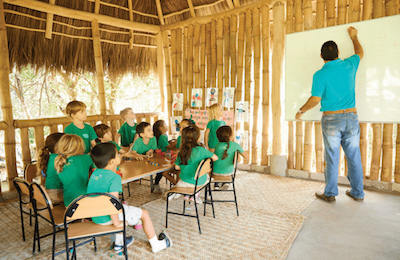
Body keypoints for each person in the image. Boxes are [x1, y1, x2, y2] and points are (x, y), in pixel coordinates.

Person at [295, 26, 365, 202]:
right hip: (351, 117)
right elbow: (359, 52)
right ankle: (358, 193)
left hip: (331, 119)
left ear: (321, 56)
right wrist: (354, 37)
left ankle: (330, 194)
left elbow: (315, 99)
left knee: (332, 157)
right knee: (354, 156)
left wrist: (301, 111)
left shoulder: (320, 74)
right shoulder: (350, 64)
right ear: (338, 52)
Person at [87, 143, 173, 254]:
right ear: (112, 161)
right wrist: (117, 224)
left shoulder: (94, 174)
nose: (120, 156)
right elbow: (113, 204)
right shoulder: (114, 178)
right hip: (107, 217)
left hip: (96, 216)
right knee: (145, 214)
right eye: (118, 154)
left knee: (123, 208)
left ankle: (119, 244)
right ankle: (156, 245)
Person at [173, 126, 218, 203]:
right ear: (198, 138)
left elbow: (177, 167)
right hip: (199, 182)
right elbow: (216, 158)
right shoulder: (201, 150)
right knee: (206, 176)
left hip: (185, 181)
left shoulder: (181, 152)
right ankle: (195, 195)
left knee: (184, 177)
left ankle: (187, 194)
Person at [54, 134, 94, 206]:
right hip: (84, 201)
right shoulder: (86, 158)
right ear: (80, 146)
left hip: (68, 204)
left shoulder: (59, 160)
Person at [212, 126, 248, 190]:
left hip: (215, 174)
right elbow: (246, 157)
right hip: (228, 174)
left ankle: (217, 184)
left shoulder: (217, 145)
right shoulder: (235, 145)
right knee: (227, 167)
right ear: (230, 136)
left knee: (216, 165)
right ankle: (226, 182)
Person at [37, 132, 65, 203]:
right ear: (57, 146)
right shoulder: (59, 159)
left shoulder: (49, 157)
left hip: (49, 193)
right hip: (57, 195)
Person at [152, 120, 178, 190]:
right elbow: (169, 147)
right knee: (161, 171)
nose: (167, 126)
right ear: (161, 128)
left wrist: (172, 142)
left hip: (164, 155)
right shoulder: (161, 137)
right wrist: (177, 142)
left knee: (163, 171)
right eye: (165, 125)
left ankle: (176, 184)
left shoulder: (164, 135)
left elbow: (167, 143)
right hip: (160, 156)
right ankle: (156, 184)